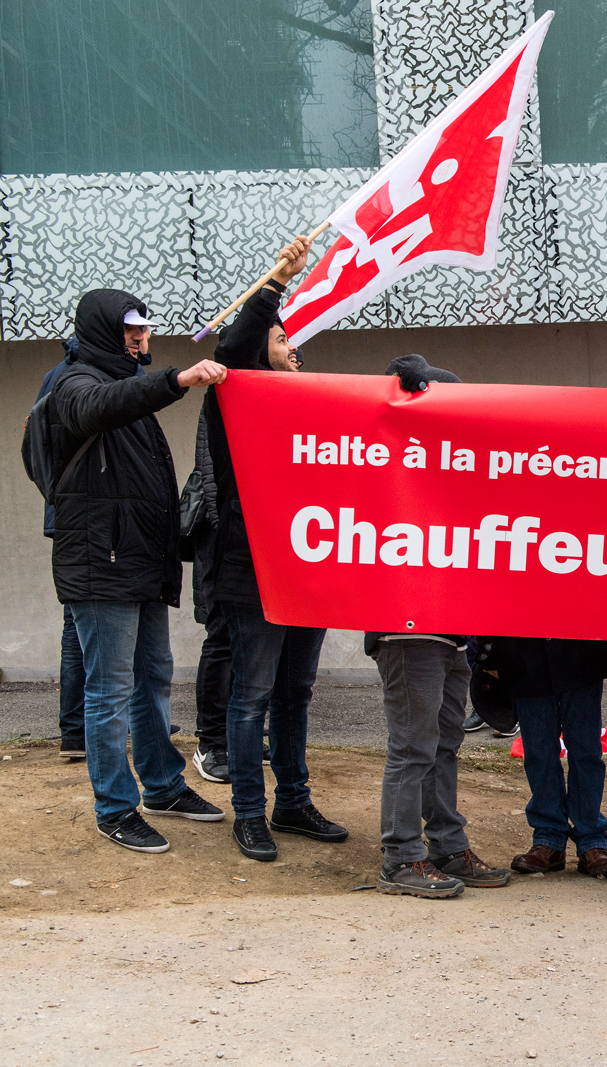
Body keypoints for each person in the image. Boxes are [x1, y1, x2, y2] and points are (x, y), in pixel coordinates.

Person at [48, 289, 227, 852]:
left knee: (152, 676)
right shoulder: (75, 383)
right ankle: (114, 808)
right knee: (108, 690)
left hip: (140, 561)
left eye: (145, 328)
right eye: (129, 330)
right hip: (100, 564)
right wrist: (176, 380)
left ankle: (163, 787)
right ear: (102, 331)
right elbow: (99, 407)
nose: (140, 338)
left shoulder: (127, 383)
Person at [203, 235, 348, 861]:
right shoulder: (237, 397)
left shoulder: (310, 409)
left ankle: (292, 800)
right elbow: (233, 350)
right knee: (253, 695)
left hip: (307, 571)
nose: (292, 348)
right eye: (281, 338)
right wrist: (276, 283)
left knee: (295, 693)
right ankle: (248, 812)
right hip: (251, 571)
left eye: (292, 341)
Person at [363, 355, 511, 899]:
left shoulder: (453, 469)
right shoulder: (388, 462)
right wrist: (410, 376)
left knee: (443, 743)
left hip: (451, 631)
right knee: (413, 746)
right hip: (407, 631)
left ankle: (447, 844)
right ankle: (401, 857)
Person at [493, 637, 607, 879]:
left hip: (582, 647)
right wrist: (488, 653)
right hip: (524, 650)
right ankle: (549, 839)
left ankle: (592, 840)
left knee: (586, 751)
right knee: (538, 751)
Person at [33, 336, 87, 760]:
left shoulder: (57, 375)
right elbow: (39, 448)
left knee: (77, 626)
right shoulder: (77, 378)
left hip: (67, 516)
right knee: (78, 628)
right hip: (80, 520)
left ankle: (76, 728)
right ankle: (76, 728)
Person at [187, 410, 231, 783]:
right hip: (226, 538)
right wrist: (226, 532)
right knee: (223, 639)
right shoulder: (226, 391)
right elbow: (210, 467)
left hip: (252, 536)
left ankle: (238, 735)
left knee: (252, 644)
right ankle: (211, 742)